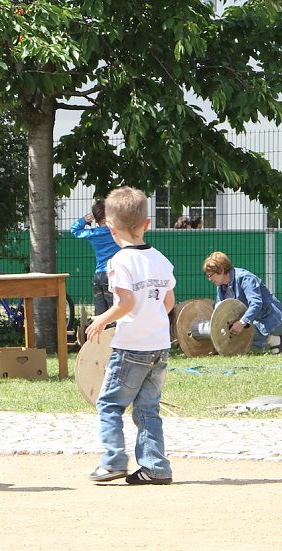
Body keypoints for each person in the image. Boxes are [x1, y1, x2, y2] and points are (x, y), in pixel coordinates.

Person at [85, 186, 176, 485]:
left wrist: (101, 319)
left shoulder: (119, 262)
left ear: (110, 227)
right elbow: (169, 302)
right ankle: (155, 467)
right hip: (159, 346)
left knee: (109, 404)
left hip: (130, 348)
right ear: (147, 224)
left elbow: (126, 303)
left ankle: (113, 461)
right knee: (148, 408)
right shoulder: (161, 259)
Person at [203, 251, 282, 354]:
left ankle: (272, 340)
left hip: (273, 322)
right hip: (253, 322)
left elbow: (256, 303)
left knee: (236, 330)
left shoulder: (245, 278)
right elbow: (220, 309)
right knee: (229, 329)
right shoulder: (221, 286)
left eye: (211, 275)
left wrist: (242, 323)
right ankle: (267, 341)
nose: (209, 279)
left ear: (221, 270)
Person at [70, 200, 120, 315]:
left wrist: (86, 219)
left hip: (98, 276)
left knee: (100, 313)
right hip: (113, 275)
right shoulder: (116, 232)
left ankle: (98, 332)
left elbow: (74, 230)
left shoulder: (93, 233)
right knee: (114, 312)